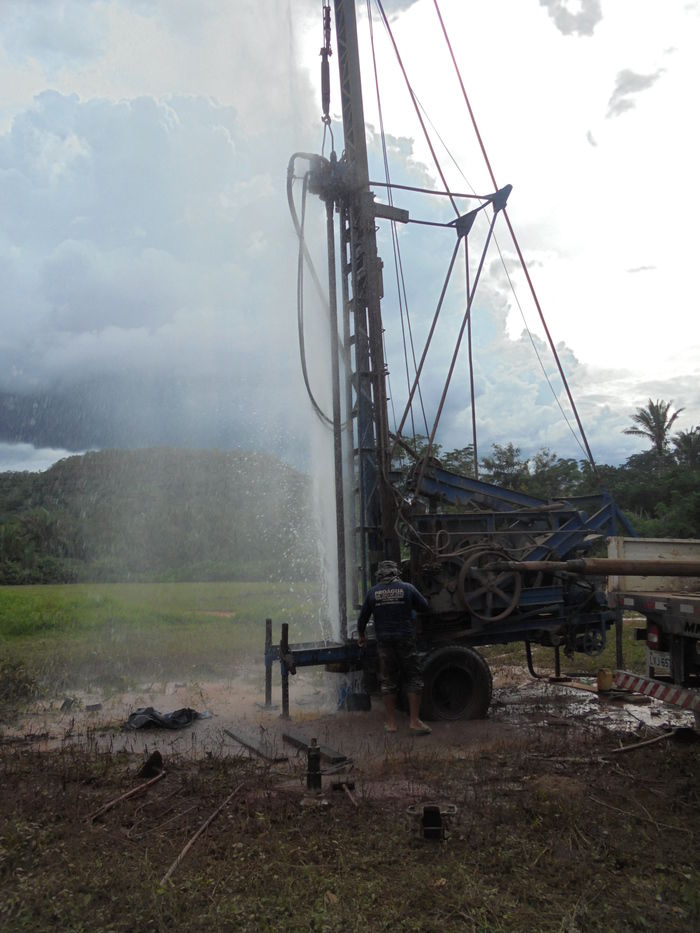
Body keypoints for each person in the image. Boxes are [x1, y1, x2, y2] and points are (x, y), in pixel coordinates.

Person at [356, 559, 431, 735]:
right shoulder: (407, 588)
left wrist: (361, 636)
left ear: (379, 575)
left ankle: (391, 723)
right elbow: (425, 607)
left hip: (385, 642)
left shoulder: (372, 593)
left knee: (388, 680)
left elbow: (362, 619)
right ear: (396, 573)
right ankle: (414, 721)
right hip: (405, 639)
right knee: (413, 677)